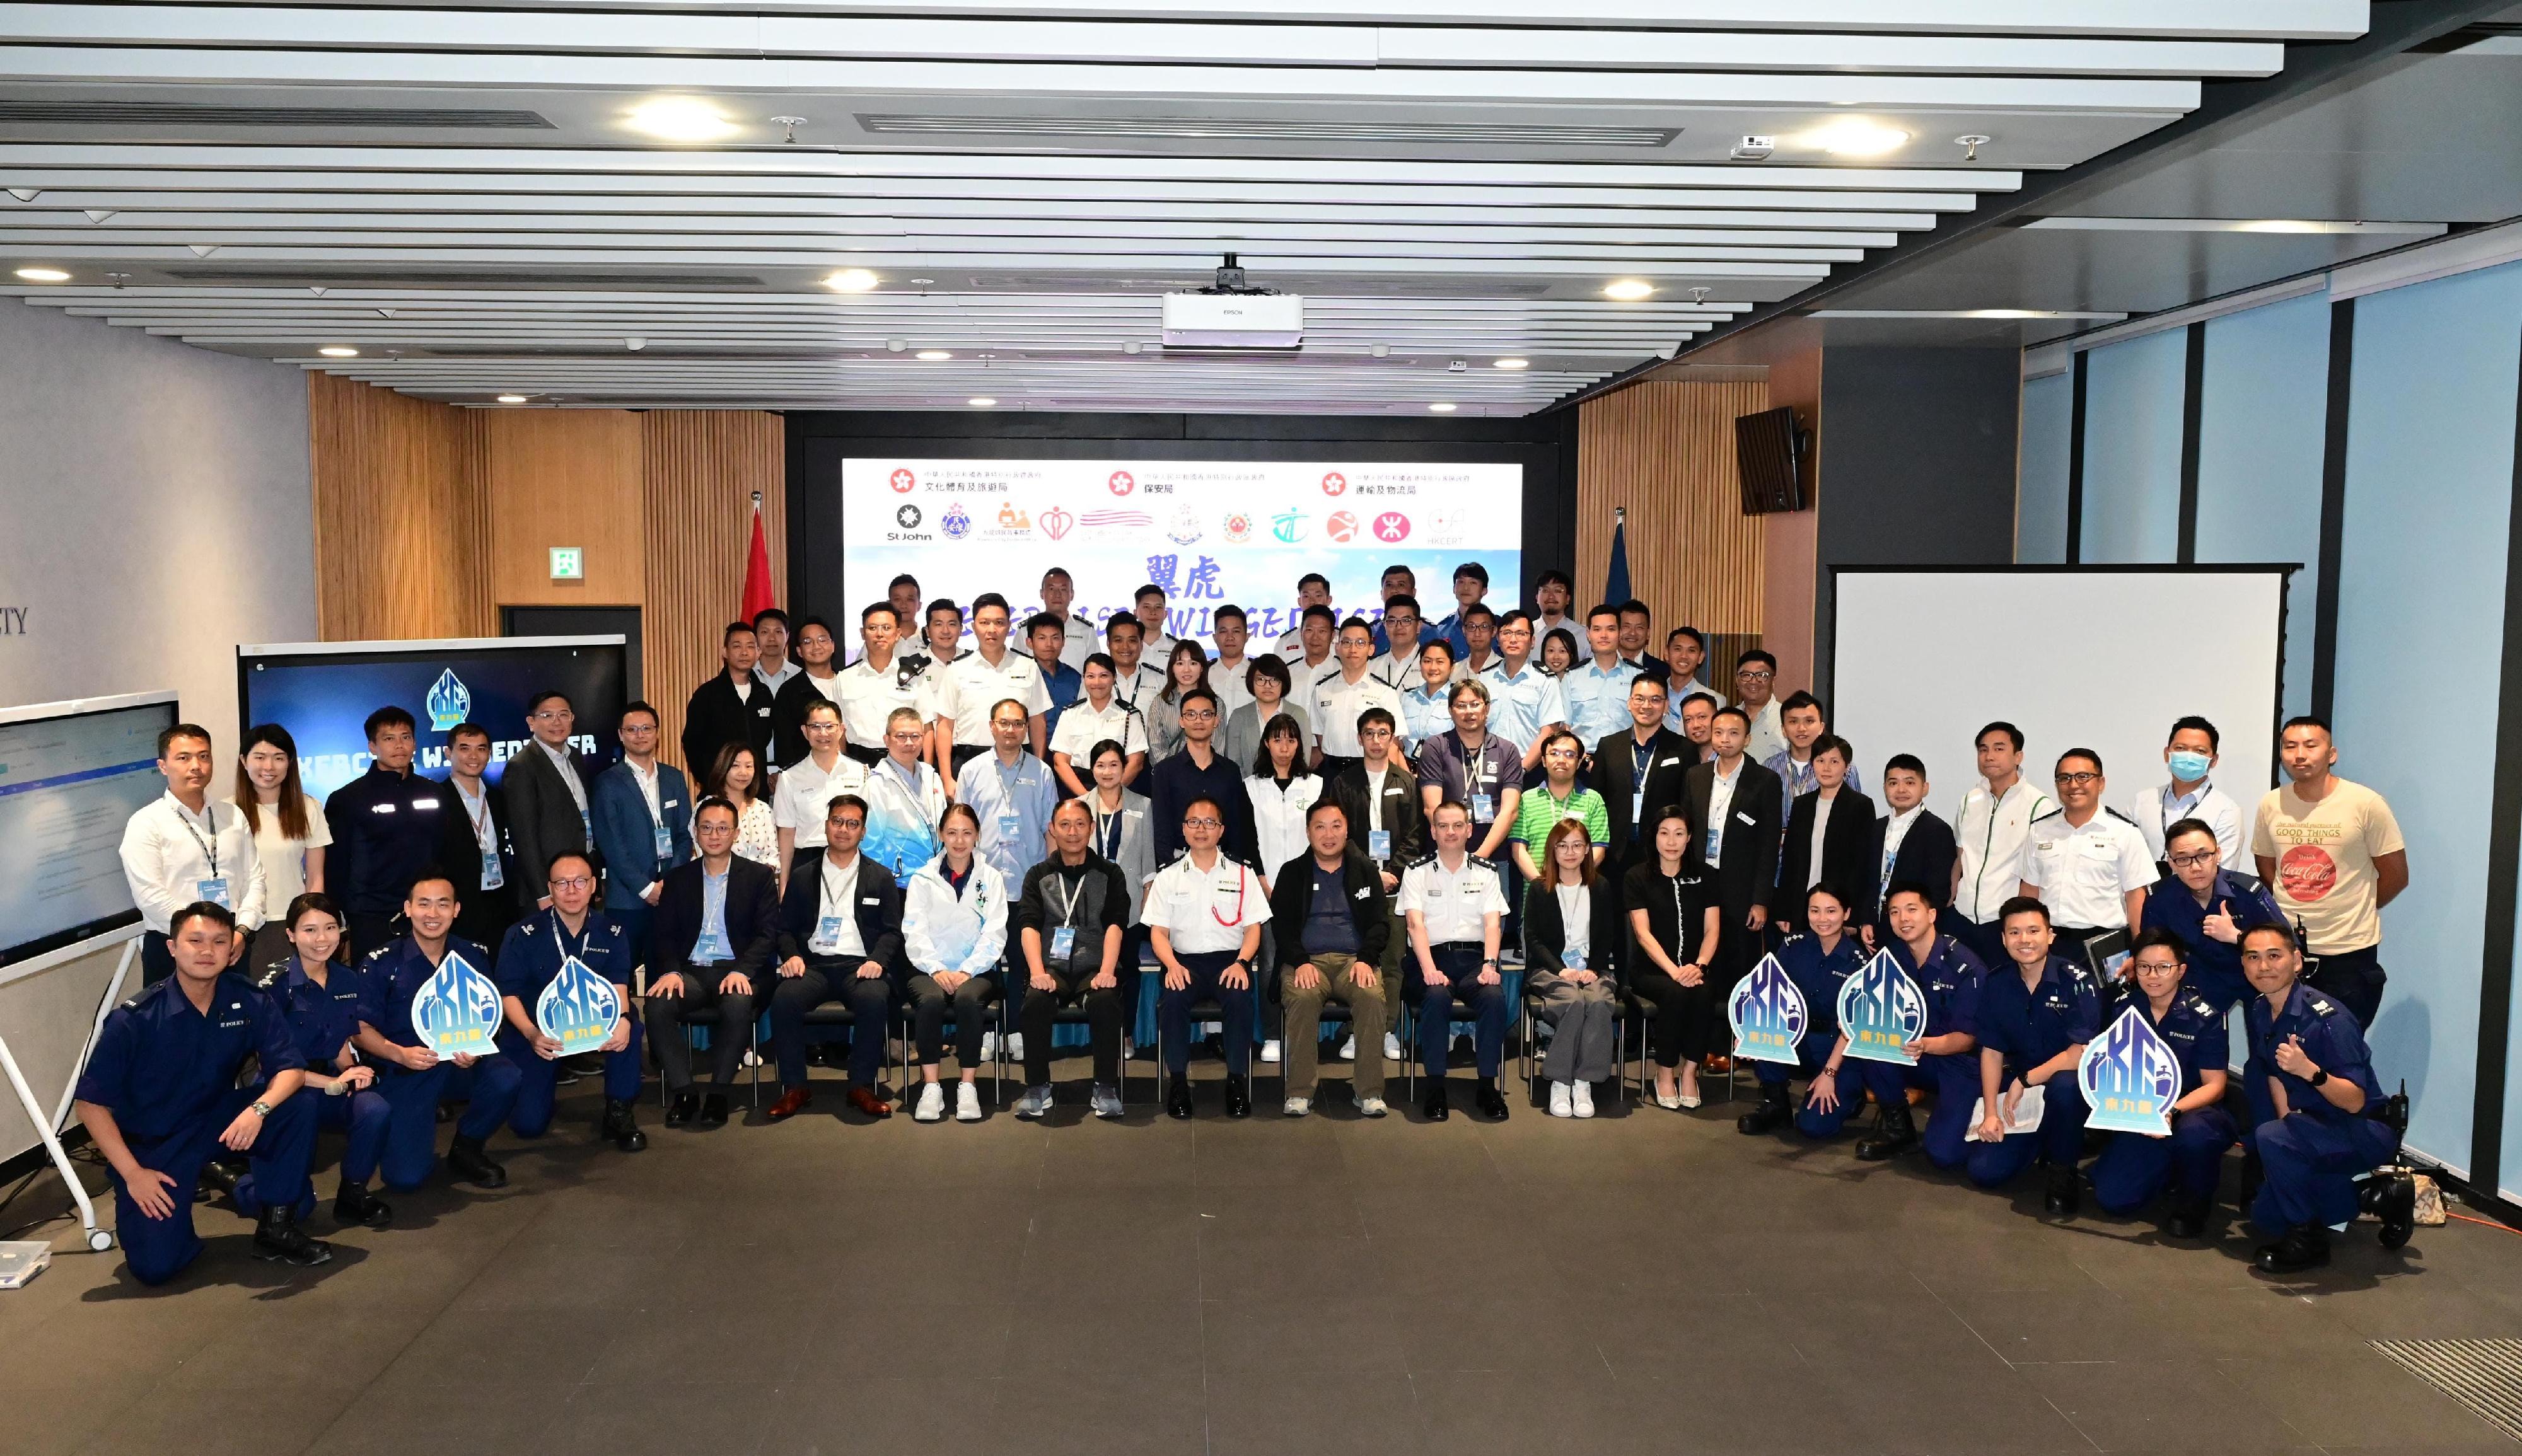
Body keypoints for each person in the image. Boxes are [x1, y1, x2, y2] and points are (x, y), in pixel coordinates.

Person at [72, 901, 331, 1283]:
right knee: (156, 1267)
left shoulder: (248, 998)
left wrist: (258, 1109)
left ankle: (275, 1228)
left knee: (298, 1108)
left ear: (233, 951)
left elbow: (291, 1070)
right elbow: (90, 1104)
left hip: (216, 1121)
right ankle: (227, 1184)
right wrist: (133, 1174)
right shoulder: (136, 1019)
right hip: (154, 1143)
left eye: (219, 942)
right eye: (195, 941)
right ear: (172, 948)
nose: (207, 951)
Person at [2238, 922, 2411, 1272]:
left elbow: (2355, 1101)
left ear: (2297, 961)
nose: (2264, 966)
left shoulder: (2330, 1021)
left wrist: (2310, 1072)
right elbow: (2273, 1072)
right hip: (2315, 1124)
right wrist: (2290, 1127)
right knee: (2266, 1216)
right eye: (2253, 957)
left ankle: (2309, 1242)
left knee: (2272, 1140)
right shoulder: (2260, 1009)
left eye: (2275, 956)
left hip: (2360, 1128)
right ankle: (2383, 1195)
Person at [352, 872, 517, 1193]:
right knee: (405, 1179)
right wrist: (397, 1052)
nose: (433, 914)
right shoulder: (381, 962)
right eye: (424, 904)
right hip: (406, 1067)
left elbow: (490, 1014)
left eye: (443, 905)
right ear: (408, 908)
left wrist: (477, 1049)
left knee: (505, 1077)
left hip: (459, 1061)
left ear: (456, 910)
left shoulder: (474, 955)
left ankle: (467, 1147)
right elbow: (359, 1029)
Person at [2253, 715, 2407, 1028]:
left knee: (2340, 1054)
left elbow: (2395, 875)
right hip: (2286, 950)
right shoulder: (2272, 804)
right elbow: (2268, 868)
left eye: (2311, 745)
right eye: (2290, 746)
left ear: (2331, 754)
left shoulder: (2365, 804)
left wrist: (2353, 905)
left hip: (2348, 953)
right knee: (2283, 1050)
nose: (2300, 755)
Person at [492, 852, 648, 1154]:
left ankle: (619, 1110)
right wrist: (531, 1034)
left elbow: (619, 986)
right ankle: (540, 1093)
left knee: (630, 1027)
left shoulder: (612, 932)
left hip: (595, 1023)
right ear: (550, 889)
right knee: (528, 1126)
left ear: (594, 887)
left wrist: (623, 1020)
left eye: (580, 882)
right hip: (537, 1031)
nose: (572, 890)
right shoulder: (523, 934)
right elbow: (508, 994)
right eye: (562, 883)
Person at [2086, 928, 2238, 1238]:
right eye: (2144, 967)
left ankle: (2195, 1203)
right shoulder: (2124, 1008)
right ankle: (2164, 1170)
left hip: (2194, 1110)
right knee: (2113, 1200)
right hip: (2144, 1113)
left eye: (2163, 967)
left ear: (2181, 970)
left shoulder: (2205, 1016)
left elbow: (2216, 1086)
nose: (2152, 976)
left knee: (2195, 1136)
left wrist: (2172, 1112)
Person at [765, 795, 906, 1122]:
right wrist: (791, 956)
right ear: (827, 825)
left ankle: (861, 1086)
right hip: (813, 964)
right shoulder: (803, 875)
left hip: (859, 966)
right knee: (785, 999)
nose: (843, 830)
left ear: (863, 831)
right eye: (837, 821)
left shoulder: (881, 877)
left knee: (874, 999)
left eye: (852, 824)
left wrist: (878, 961)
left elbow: (892, 932)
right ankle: (795, 1087)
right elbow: (784, 929)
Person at [255, 893, 392, 1229]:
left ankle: (353, 1193)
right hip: (284, 1090)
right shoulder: (274, 986)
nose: (322, 939)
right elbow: (268, 1064)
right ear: (290, 935)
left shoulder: (346, 979)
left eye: (330, 928)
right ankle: (228, 1179)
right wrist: (333, 1083)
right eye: (310, 930)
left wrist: (350, 1071)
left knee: (374, 1108)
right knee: (296, 1208)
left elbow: (339, 1039)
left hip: (329, 1081)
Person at [644, 797, 777, 1130]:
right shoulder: (678, 879)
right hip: (690, 971)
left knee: (738, 1005)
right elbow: (664, 934)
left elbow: (767, 935)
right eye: (706, 828)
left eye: (722, 828)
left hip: (736, 969)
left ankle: (719, 1092)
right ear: (695, 833)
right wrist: (673, 970)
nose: (714, 835)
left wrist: (742, 970)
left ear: (735, 833)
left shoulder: (758, 876)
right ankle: (685, 1092)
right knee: (658, 1004)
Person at [1967, 897, 2101, 1216]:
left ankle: (2062, 1169)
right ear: (2003, 939)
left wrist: (2025, 1081)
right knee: (1984, 1172)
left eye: (2033, 931)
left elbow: (2080, 1053)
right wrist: (1990, 1113)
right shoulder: (1996, 983)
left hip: (2066, 1082)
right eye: (2014, 933)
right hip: (2024, 1092)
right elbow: (1991, 1050)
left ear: (2050, 935)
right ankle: (2044, 1139)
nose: (2024, 940)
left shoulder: (2078, 981)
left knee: (2065, 1088)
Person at [1011, 795, 1136, 1118]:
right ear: (1052, 829)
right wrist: (1037, 972)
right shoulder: (1037, 874)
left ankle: (1105, 1087)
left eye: (1080, 824)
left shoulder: (1110, 873)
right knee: (1036, 1001)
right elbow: (1028, 926)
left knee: (1106, 1000)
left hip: (1095, 965)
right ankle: (1038, 1087)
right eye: (1064, 825)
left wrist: (1108, 970)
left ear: (1092, 829)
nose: (1072, 832)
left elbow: (1115, 925)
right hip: (1051, 965)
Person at [1147, 795, 1269, 1119]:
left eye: (1209, 823)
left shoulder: (1243, 874)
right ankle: (1177, 1082)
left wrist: (1242, 963)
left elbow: (1253, 928)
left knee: (1240, 998)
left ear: (1221, 830)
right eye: (1194, 822)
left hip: (1230, 960)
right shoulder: (1168, 876)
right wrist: (1171, 965)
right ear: (1184, 830)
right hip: (1182, 962)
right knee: (1172, 1002)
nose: (1201, 829)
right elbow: (1158, 932)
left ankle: (1236, 1081)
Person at [1848, 883, 1985, 1167]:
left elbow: (1969, 1039)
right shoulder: (1892, 957)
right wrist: (1853, 1017)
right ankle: (1898, 1128)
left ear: (1932, 914)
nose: (1903, 919)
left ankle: (1983, 1116)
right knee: (1870, 1046)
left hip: (1959, 1063)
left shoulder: (1965, 965)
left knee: (1944, 1155)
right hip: (1914, 1053)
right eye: (1895, 912)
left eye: (1912, 910)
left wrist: (1926, 1045)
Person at [1271, 800, 1393, 1117]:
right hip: (1306, 961)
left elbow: (1381, 922)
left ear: (1347, 830)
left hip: (1355, 961)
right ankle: (1299, 1092)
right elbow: (1281, 927)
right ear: (1309, 832)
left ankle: (1368, 1092)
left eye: (1336, 826)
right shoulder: (1292, 872)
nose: (1329, 834)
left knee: (1370, 997)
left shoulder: (1365, 870)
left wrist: (1367, 959)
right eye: (1320, 827)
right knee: (1303, 996)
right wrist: (1300, 961)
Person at [122, 722, 264, 983]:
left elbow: (255, 879)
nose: (196, 765)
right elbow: (149, 895)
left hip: (232, 945)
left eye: (204, 756)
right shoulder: (146, 823)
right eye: (183, 758)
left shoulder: (232, 815)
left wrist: (241, 930)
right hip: (172, 949)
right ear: (163, 766)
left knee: (236, 1021)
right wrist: (202, 938)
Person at [1400, 799, 1512, 1121]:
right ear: (1433, 831)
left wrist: (1491, 965)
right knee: (1435, 997)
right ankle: (1435, 1087)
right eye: (1444, 826)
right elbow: (1414, 924)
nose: (1451, 832)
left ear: (1469, 830)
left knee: (1493, 998)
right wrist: (1429, 970)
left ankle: (1487, 1086)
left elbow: (1493, 923)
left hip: (1475, 959)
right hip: (1430, 958)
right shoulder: (1416, 871)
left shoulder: (1487, 872)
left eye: (1458, 826)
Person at [901, 804, 1009, 1124]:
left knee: (967, 1000)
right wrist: (936, 968)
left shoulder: (992, 878)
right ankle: (931, 1087)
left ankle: (967, 1086)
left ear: (977, 836)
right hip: (928, 969)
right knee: (931, 1002)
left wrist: (966, 970)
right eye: (951, 833)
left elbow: (995, 931)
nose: (959, 841)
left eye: (966, 833)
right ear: (940, 836)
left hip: (976, 970)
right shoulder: (922, 879)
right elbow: (914, 930)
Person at [1736, 884, 1869, 1141]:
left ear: (1846, 914)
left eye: (1831, 911)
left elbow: (1854, 1027)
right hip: (1798, 1035)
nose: (1822, 919)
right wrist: (1750, 1031)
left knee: (1813, 1127)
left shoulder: (1859, 962)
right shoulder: (1793, 945)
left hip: (1837, 1047)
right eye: (1815, 910)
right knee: (1764, 1034)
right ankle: (1776, 1105)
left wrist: (1830, 1074)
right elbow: (1771, 995)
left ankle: (1852, 1097)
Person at [323, 707, 455, 957]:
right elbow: (336, 866)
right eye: (389, 738)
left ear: (415, 743)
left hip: (427, 913)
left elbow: (446, 853)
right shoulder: (348, 799)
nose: (399, 746)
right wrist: (342, 914)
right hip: (372, 918)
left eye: (406, 737)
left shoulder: (435, 793)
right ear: (372, 746)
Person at [1523, 818, 1622, 1117]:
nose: (1570, 852)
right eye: (1563, 846)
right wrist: (1561, 968)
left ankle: (1583, 1081)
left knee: (1600, 1001)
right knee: (1573, 1001)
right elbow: (1534, 939)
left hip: (1593, 969)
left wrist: (1593, 968)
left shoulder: (1600, 887)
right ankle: (1559, 1081)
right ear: (1552, 850)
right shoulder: (1540, 889)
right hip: (1550, 970)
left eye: (1578, 845)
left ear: (1588, 849)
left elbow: (1607, 935)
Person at [2016, 749, 2157, 958]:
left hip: (2104, 945)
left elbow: (2136, 899)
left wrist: (2142, 955)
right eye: (2064, 778)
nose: (2073, 785)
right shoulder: (2039, 830)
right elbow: (2029, 890)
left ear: (2101, 783)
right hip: (2050, 943)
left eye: (2083, 777)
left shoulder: (2125, 832)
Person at [1624, 807, 1721, 1109]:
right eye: (1664, 833)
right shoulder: (1636, 877)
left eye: (1679, 834)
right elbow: (1643, 935)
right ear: (1654, 837)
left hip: (1697, 968)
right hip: (1651, 972)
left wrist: (1700, 966)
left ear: (1689, 838)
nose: (1671, 841)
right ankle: (1664, 1073)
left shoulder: (1706, 876)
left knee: (1704, 991)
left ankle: (1690, 1071)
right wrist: (1674, 971)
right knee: (1676, 992)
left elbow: (1713, 930)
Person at [1685, 707, 1784, 999]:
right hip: (1701, 881)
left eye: (1733, 733)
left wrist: (1760, 900)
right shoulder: (1696, 776)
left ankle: (1736, 1038)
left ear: (1748, 739)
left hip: (1742, 890)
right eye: (1719, 732)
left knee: (1740, 964)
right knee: (1700, 960)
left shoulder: (1765, 780)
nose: (1725, 739)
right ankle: (1705, 1042)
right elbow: (1685, 832)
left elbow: (1769, 846)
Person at [2142, 817, 2287, 1015]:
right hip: (2192, 984)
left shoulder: (2248, 891)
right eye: (2183, 859)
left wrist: (2237, 936)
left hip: (2252, 980)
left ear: (2218, 854)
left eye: (2203, 856)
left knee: (2268, 1034)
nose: (2195, 867)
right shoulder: (2160, 897)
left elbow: (2287, 946)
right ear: (2172, 864)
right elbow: (2151, 948)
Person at [590, 701, 693, 968]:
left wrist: (669, 883)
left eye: (646, 728)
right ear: (621, 735)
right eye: (632, 729)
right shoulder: (607, 782)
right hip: (628, 900)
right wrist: (646, 889)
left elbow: (685, 833)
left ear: (657, 733)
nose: (640, 735)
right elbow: (611, 845)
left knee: (666, 977)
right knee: (620, 976)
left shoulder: (674, 777)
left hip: (670, 897)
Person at [1416, 679, 1523, 933]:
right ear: (1451, 710)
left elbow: (1509, 811)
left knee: (1490, 930)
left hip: (1493, 857)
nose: (1469, 711)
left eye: (1475, 704)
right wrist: (1458, 856)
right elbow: (1432, 808)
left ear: (1487, 709)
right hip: (1445, 858)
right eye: (1461, 705)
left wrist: (1478, 858)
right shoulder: (1436, 747)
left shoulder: (1507, 750)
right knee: (1443, 926)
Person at [1246, 712, 1320, 1066]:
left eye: (1291, 739)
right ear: (1266, 743)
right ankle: (1273, 1035)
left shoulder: (1316, 786)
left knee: (1310, 959)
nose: (1284, 746)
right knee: (1270, 963)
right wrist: (1262, 880)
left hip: (1309, 888)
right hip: (1263, 888)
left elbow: (1324, 838)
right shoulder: (1250, 786)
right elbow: (1247, 840)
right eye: (1277, 738)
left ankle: (1303, 1034)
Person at [1950, 722, 2053, 969]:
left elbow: (2040, 872)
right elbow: (1960, 855)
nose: (1989, 756)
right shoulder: (1970, 800)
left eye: (1999, 749)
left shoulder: (2039, 805)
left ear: (2018, 756)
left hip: (2003, 922)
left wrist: (2019, 922)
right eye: (1983, 750)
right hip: (1962, 918)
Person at [233, 723, 329, 971]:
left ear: (290, 763)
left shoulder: (309, 808)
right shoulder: (227, 812)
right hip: (240, 926)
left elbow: (316, 877)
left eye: (279, 758)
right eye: (260, 757)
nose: (269, 767)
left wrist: (311, 925)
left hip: (291, 923)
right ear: (244, 761)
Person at [935, 593, 1053, 790]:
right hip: (969, 759)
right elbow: (945, 726)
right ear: (973, 627)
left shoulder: (1027, 666)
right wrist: (947, 778)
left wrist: (1038, 767)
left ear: (1009, 626)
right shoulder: (957, 668)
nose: (992, 630)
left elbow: (1038, 722)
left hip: (1019, 760)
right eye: (984, 623)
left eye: (999, 622)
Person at [499, 691, 597, 919]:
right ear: (531, 722)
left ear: (572, 719)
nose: (557, 722)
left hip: (578, 883)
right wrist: (543, 893)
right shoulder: (521, 767)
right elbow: (524, 838)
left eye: (563, 715)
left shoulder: (576, 758)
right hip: (548, 890)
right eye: (547, 715)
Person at [1774, 736, 1874, 937]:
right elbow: (1790, 861)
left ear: (1847, 767)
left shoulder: (1860, 806)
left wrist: (1854, 916)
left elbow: (1863, 866)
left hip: (1838, 906)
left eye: (1834, 762)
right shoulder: (1802, 805)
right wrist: (1783, 909)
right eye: (1820, 761)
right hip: (1803, 903)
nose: (1826, 768)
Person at [1590, 675, 1690, 873]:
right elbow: (1597, 800)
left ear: (1666, 705)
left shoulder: (1684, 749)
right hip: (1614, 854)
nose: (1647, 705)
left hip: (1663, 854)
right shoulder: (1609, 746)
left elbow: (1687, 805)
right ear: (1629, 703)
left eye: (1655, 700)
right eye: (1639, 699)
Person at [959, 698, 1058, 891]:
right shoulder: (971, 771)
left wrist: (1051, 875)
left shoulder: (1042, 772)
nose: (1010, 730)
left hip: (1031, 881)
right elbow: (961, 829)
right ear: (992, 726)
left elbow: (1051, 830)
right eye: (1003, 723)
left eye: (1018, 724)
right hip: (982, 880)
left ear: (1026, 728)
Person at [1149, 687, 1255, 865]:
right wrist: (1167, 868)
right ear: (1181, 721)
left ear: (1216, 720)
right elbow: (1161, 828)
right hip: (1178, 863)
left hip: (1224, 865)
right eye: (1191, 714)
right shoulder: (1165, 771)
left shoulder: (1230, 771)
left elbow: (1237, 827)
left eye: (1206, 714)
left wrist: (1236, 866)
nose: (1198, 720)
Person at [441, 722, 520, 950]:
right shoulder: (437, 799)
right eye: (465, 748)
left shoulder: (497, 798)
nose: (474, 756)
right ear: (449, 753)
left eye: (482, 748)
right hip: (460, 906)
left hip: (500, 902)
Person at [1860, 754, 1956, 940]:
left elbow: (1938, 890)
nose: (1901, 789)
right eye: (1893, 783)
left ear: (1925, 788)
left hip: (1914, 930)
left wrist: (1917, 928)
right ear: (1885, 788)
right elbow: (1868, 880)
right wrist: (1866, 920)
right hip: (1877, 925)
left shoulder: (1937, 830)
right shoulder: (1877, 828)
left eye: (1910, 783)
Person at [2130, 715, 2245, 868]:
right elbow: (2125, 858)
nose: (2189, 756)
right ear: (2167, 754)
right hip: (2144, 891)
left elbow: (2221, 871)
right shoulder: (2143, 801)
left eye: (2200, 751)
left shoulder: (2226, 811)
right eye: (2180, 748)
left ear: (2214, 760)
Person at [861, 706, 950, 884]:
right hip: (897, 882)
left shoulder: (931, 776)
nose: (909, 743)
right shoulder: (877, 783)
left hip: (935, 877)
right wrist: (879, 883)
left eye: (915, 736)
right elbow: (870, 843)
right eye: (901, 736)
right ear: (887, 740)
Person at [1308, 618, 1403, 782]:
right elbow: (1320, 735)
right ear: (1337, 648)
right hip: (1332, 772)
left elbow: (1393, 744)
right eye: (1347, 642)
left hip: (1370, 771)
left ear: (1371, 649)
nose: (1353, 649)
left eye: (1360, 643)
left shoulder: (1385, 692)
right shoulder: (1322, 689)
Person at [1510, 731, 1608, 884]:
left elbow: (1598, 850)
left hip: (1581, 891)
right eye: (1554, 753)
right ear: (1543, 761)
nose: (1561, 760)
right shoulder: (1526, 799)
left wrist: (1572, 883)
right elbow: (1518, 850)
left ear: (1578, 763)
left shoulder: (1593, 800)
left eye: (1570, 755)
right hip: (1537, 895)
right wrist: (1541, 886)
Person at [680, 621, 776, 776]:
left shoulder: (763, 694)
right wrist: (711, 779)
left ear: (759, 652)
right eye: (737, 646)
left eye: (750, 647)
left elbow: (764, 738)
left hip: (756, 786)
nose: (744, 652)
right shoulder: (707, 694)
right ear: (725, 652)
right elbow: (693, 742)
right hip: (719, 788)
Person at [834, 601, 922, 767]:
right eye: (872, 628)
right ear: (862, 633)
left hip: (904, 760)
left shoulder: (913, 676)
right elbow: (839, 730)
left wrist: (926, 768)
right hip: (857, 761)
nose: (879, 634)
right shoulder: (845, 678)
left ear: (898, 634)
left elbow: (927, 725)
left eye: (887, 628)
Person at [1479, 610, 1569, 771]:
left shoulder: (1546, 680)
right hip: (1487, 766)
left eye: (1521, 634)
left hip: (1529, 768)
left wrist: (1522, 769)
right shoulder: (1484, 678)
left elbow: (1549, 731)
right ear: (1498, 639)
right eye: (1507, 633)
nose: (1513, 639)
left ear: (1532, 641)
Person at [1050, 652, 1149, 795]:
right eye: (1091, 676)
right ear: (1084, 678)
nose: (1097, 682)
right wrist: (1086, 798)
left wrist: (1110, 793)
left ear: (1114, 678)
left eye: (1104, 676)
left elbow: (1137, 762)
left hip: (1119, 790)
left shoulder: (1129, 715)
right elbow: (1060, 761)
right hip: (1077, 790)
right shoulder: (1070, 714)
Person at [771, 614, 847, 767]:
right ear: (799, 651)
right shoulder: (789, 692)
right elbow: (785, 748)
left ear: (833, 645)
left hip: (849, 774)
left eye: (822, 640)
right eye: (808, 642)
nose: (816, 646)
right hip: (807, 777)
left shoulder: (849, 683)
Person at [1560, 604, 1641, 750]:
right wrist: (1584, 761)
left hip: (1626, 759)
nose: (1604, 635)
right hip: (1583, 761)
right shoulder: (1572, 677)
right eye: (1597, 629)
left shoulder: (1638, 677)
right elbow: (1565, 727)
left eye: (1611, 629)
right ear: (1588, 634)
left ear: (1620, 633)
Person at [1764, 691, 1864, 800]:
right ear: (1783, 730)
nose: (1801, 728)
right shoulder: (1770, 767)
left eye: (1809, 721)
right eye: (1793, 722)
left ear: (1821, 728)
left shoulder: (1844, 768)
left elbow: (1856, 811)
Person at [704, 742, 781, 869]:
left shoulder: (763, 810)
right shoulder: (707, 808)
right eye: (736, 766)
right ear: (723, 767)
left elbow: (772, 857)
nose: (743, 772)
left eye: (749, 766)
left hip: (758, 885)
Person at [1146, 638, 1214, 764]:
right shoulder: (1160, 702)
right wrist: (1171, 774)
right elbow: (1155, 748)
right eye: (1180, 663)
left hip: (1207, 776)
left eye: (1193, 663)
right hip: (1169, 778)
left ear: (1202, 668)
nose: (1187, 670)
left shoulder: (1216, 703)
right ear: (1172, 668)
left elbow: (1218, 747)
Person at [1398, 638, 1456, 753]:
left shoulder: (1459, 699)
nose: (1433, 667)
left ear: (1452, 666)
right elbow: (1397, 742)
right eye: (1427, 661)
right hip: (1407, 767)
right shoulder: (1407, 697)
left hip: (1445, 768)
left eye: (1440, 662)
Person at [1024, 611, 1083, 720]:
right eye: (1042, 638)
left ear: (1063, 641)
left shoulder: (1074, 677)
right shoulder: (1024, 677)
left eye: (1055, 638)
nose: (1049, 644)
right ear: (1029, 642)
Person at [1105, 615, 1165, 719]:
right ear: (1108, 644)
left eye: (1132, 641)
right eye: (1118, 640)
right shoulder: (1095, 680)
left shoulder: (1159, 680)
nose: (1125, 647)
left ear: (1141, 645)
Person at [1039, 567, 1097, 673]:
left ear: (1072, 594)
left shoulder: (1087, 632)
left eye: (1063, 589)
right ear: (1042, 594)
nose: (1057, 595)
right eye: (1052, 589)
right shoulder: (1025, 631)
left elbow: (1095, 671)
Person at [1733, 650, 1787, 765]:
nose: (1753, 681)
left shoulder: (1786, 718)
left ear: (1773, 681)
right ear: (1737, 680)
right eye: (1746, 675)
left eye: (1762, 676)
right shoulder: (1730, 717)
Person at [1429, 561, 1490, 658]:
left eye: (1473, 583)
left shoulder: (1499, 627)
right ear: (1454, 589)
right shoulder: (1441, 630)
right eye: (1461, 582)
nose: (1466, 588)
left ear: (1484, 590)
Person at [1207, 603, 1256, 723]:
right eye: (1223, 632)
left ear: (1247, 636)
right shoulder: (1204, 673)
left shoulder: (1258, 673)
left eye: (1236, 631)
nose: (1230, 637)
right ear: (1215, 637)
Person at [1367, 594, 1426, 690]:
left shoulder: (1432, 666)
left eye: (1406, 620)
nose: (1399, 627)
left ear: (1418, 626)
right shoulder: (1371, 668)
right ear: (1385, 626)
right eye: (1392, 621)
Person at [1271, 572, 1335, 656]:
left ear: (1329, 600)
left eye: (1318, 596)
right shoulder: (1285, 642)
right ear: (1299, 601)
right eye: (1306, 596)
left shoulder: (1342, 640)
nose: (1312, 601)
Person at [1663, 627, 1721, 707]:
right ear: (1666, 654)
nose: (1684, 656)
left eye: (1691, 651)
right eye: (1678, 649)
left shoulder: (1716, 700)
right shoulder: (1651, 695)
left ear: (1700, 657)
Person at [1615, 599, 1670, 683]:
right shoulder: (1602, 665)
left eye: (1639, 627)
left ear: (1648, 633)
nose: (1633, 633)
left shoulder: (1663, 671)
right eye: (1626, 627)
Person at [752, 607, 799, 695]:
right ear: (755, 637)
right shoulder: (747, 676)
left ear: (787, 636)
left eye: (778, 632)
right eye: (765, 632)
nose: (772, 639)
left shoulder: (800, 676)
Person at [1370, 563, 1416, 652]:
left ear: (1413, 592)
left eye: (1401, 585)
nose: (1394, 590)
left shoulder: (1428, 632)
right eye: (1389, 585)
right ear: (1381, 593)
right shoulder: (1370, 633)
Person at [1453, 604, 1501, 681]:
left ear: (1494, 631)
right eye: (1471, 627)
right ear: (1464, 631)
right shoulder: (1454, 672)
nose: (1477, 634)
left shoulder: (1504, 668)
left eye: (1484, 627)